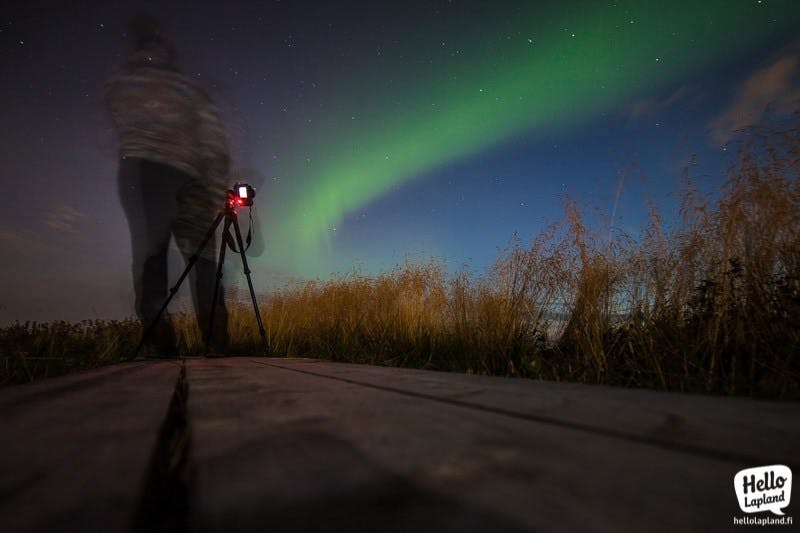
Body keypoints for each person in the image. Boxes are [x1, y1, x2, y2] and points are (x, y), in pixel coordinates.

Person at [105, 14, 230, 355]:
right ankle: (217, 343)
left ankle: (158, 346)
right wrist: (219, 192)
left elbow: (108, 130)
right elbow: (214, 145)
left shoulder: (118, 84)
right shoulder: (191, 90)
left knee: (150, 256)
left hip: (142, 172)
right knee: (203, 260)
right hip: (191, 178)